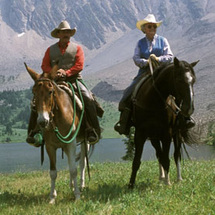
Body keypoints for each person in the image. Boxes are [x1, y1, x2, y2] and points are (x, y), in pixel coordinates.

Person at [26, 20, 103, 146]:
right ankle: (33, 132)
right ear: (58, 34)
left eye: (68, 32)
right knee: (36, 101)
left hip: (74, 80)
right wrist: (53, 73)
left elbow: (79, 65)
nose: (66, 34)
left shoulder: (77, 48)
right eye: (63, 32)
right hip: (53, 81)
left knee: (88, 99)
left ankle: (92, 130)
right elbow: (44, 65)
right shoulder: (50, 50)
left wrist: (66, 73)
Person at [115, 14, 176, 135]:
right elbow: (136, 58)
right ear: (144, 29)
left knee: (178, 90)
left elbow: (170, 56)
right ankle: (125, 122)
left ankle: (183, 119)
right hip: (144, 73)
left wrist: (158, 59)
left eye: (154, 26)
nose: (152, 28)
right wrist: (146, 62)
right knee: (128, 92)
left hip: (161, 73)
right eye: (150, 26)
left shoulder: (163, 40)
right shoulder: (140, 43)